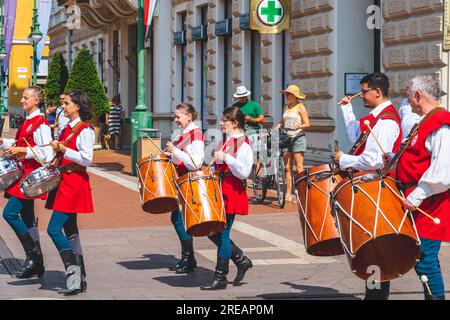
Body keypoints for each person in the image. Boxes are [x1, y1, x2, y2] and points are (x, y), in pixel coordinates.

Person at [334, 72, 402, 300]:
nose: (360, 95)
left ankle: (376, 297)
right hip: (372, 189)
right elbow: (359, 141)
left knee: (376, 248)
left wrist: (343, 160)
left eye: (364, 91)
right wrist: (346, 110)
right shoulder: (376, 119)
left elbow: (371, 160)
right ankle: (374, 295)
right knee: (373, 248)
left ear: (377, 92)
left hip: (377, 190)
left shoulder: (385, 122)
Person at [397, 75, 450, 300]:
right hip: (419, 200)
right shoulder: (426, 120)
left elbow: (442, 171)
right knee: (424, 258)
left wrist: (416, 197)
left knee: (425, 260)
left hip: (429, 203)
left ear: (418, 95)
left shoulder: (441, 123)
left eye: (409, 97)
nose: (408, 103)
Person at [45, 90, 95, 295]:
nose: (63, 107)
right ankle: (80, 277)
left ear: (77, 106)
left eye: (67, 104)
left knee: (54, 229)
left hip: (74, 183)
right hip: (63, 181)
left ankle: (72, 271)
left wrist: (65, 150)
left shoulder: (85, 129)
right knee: (71, 231)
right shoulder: (67, 128)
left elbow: (87, 158)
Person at [0, 86, 53, 279]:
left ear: (36, 101)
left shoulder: (41, 123)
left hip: (29, 177)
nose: (22, 101)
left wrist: (23, 152)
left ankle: (34, 256)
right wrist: (6, 144)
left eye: (25, 98)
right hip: (22, 174)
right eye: (22, 97)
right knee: (28, 219)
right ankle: (36, 264)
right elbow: (21, 144)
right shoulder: (27, 121)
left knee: (10, 213)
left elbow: (47, 153)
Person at [201, 107, 253, 290]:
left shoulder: (244, 144)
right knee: (212, 231)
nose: (221, 123)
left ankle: (220, 277)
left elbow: (244, 172)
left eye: (225, 120)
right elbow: (218, 166)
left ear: (235, 123)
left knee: (222, 233)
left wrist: (227, 158)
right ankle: (241, 260)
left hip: (232, 191)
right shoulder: (225, 142)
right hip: (219, 190)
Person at [165, 103, 205, 274]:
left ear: (189, 117)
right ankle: (188, 257)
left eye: (178, 117)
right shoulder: (185, 134)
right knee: (178, 218)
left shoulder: (195, 134)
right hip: (182, 181)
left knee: (179, 219)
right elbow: (182, 158)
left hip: (189, 181)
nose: (175, 120)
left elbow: (196, 162)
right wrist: (171, 154)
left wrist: (175, 151)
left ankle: (189, 258)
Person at [273, 85, 311, 203]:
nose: (286, 95)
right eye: (286, 93)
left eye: (288, 94)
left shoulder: (301, 107)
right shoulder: (286, 107)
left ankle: (301, 193)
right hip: (286, 138)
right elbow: (282, 122)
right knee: (287, 168)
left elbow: (307, 124)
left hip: (298, 138)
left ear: (295, 96)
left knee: (299, 167)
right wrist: (274, 129)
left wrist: (297, 126)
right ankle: (288, 193)